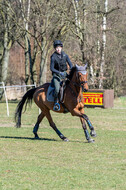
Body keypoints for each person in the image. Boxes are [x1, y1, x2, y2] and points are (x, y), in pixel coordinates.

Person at [50, 40, 73, 111]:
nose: (58, 49)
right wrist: (59, 72)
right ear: (55, 48)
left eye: (59, 47)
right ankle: (56, 102)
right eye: (56, 47)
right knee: (57, 89)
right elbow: (51, 68)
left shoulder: (65, 55)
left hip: (65, 74)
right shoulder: (53, 57)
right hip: (56, 76)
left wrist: (72, 70)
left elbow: (70, 64)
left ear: (61, 47)